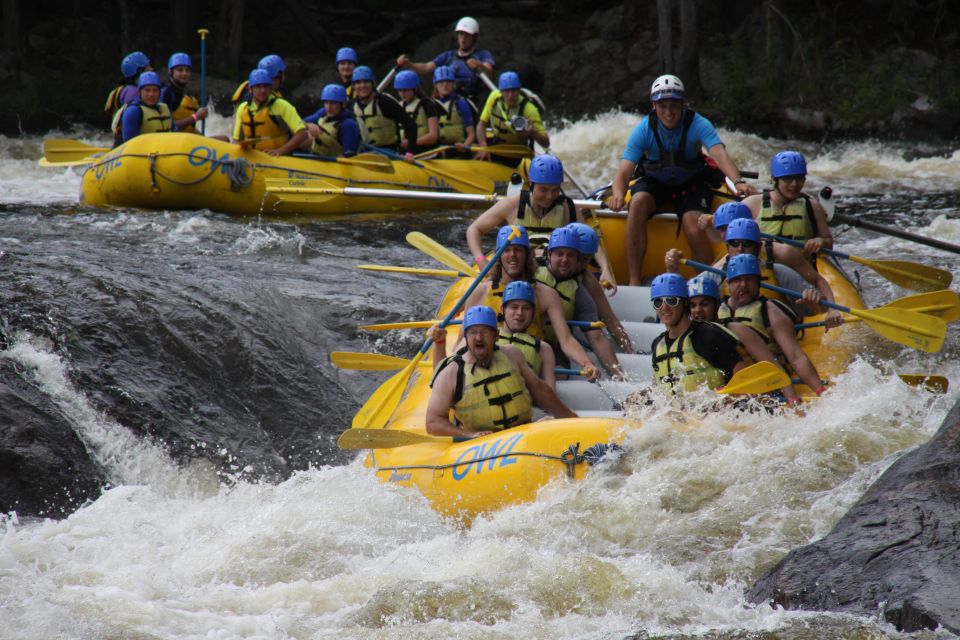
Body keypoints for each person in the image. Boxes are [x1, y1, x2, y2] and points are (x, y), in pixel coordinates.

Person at [608, 74, 756, 285]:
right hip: (656, 182)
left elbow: (719, 154)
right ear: (654, 105)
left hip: (691, 183)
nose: (668, 112)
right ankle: (634, 280)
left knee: (694, 226)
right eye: (662, 106)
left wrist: (738, 181)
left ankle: (708, 284)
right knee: (637, 203)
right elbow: (623, 173)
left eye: (673, 106)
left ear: (683, 104)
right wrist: (617, 195)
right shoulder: (644, 129)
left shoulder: (698, 123)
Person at [462, 225, 601, 382]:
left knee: (558, 374)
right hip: (490, 362)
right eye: (507, 250)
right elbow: (463, 339)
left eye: (518, 250)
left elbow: (566, 340)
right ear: (499, 255)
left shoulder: (546, 294)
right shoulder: (480, 292)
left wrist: (586, 363)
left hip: (530, 364)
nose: (512, 255)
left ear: (527, 255)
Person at [426, 305, 576, 438]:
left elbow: (541, 391)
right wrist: (468, 435)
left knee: (548, 422)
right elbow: (433, 422)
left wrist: (572, 420)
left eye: (485, 332)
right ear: (465, 336)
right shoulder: (451, 373)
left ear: (496, 335)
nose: (479, 337)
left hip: (523, 434)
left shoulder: (512, 354)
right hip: (482, 445)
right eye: (473, 332)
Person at [666, 217, 844, 327]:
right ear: (727, 248)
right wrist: (672, 270)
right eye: (734, 244)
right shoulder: (717, 274)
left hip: (775, 339)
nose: (740, 249)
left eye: (747, 244)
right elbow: (679, 299)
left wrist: (823, 307)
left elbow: (819, 307)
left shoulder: (780, 271)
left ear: (758, 248)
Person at [717, 254, 829, 403]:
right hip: (733, 380)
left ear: (759, 282)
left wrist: (820, 391)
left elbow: (796, 357)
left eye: (749, 279)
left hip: (770, 382)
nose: (743, 285)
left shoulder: (771, 312)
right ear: (728, 284)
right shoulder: (717, 309)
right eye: (737, 280)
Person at [536, 227, 625, 378]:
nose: (565, 260)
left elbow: (597, 337)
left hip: (555, 345)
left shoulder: (578, 290)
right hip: (529, 339)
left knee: (559, 375)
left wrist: (619, 376)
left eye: (571, 255)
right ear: (549, 254)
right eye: (560, 254)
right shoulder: (530, 270)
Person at [649, 273, 746, 396]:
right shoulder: (657, 344)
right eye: (658, 302)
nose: (664, 307)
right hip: (676, 408)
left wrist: (723, 397)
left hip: (715, 407)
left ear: (685, 303)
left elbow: (743, 375)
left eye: (671, 301)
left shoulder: (707, 335)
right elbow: (657, 388)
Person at [741, 151, 833, 259]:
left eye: (799, 178)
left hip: (799, 267)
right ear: (774, 180)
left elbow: (829, 244)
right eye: (788, 178)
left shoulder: (813, 207)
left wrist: (821, 241)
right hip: (761, 267)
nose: (795, 184)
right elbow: (732, 241)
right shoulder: (751, 204)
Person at [564, 222, 633, 352]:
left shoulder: (585, 276)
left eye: (586, 260)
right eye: (579, 258)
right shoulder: (542, 269)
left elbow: (610, 320)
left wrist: (630, 352)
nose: (581, 265)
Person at [396, 16, 494, 104]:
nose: (463, 38)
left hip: (471, 100)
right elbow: (426, 68)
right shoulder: (448, 56)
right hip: (448, 99)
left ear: (474, 37)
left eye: (467, 35)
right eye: (461, 34)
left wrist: (479, 65)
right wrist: (409, 64)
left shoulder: (482, 54)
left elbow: (489, 73)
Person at [232, 68, 308, 156]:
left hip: (277, 157)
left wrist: (280, 151)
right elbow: (236, 140)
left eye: (266, 86)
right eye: (258, 87)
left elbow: (302, 133)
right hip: (251, 156)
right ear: (250, 89)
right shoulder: (243, 108)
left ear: (271, 88)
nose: (263, 90)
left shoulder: (282, 106)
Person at [476, 71, 549, 160]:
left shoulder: (529, 109)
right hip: (497, 145)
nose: (510, 95)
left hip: (516, 153)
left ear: (519, 90)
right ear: (501, 91)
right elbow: (481, 125)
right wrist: (483, 145)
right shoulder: (494, 97)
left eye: (514, 91)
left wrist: (533, 132)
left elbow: (546, 143)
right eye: (506, 91)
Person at [497, 281, 557, 388]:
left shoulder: (544, 349)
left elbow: (550, 391)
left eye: (526, 308)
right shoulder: (485, 339)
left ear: (533, 313)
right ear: (502, 309)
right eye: (514, 307)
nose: (520, 313)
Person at [350, 65, 418, 155]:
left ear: (373, 84)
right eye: (358, 83)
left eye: (366, 82)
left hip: (389, 152)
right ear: (354, 86)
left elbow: (411, 125)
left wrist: (410, 152)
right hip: (365, 152)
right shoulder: (352, 106)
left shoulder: (385, 102)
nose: (362, 86)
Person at [114, 71, 174, 146]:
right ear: (139, 92)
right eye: (147, 90)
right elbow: (130, 144)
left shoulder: (164, 108)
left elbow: (175, 132)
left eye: (155, 90)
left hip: (162, 150)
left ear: (159, 92)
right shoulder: (133, 111)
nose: (151, 94)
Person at [303, 84, 361, 157]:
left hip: (334, 162)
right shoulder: (323, 112)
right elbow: (301, 122)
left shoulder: (348, 125)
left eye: (333, 103)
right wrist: (309, 125)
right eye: (326, 103)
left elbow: (349, 155)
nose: (328, 107)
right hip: (316, 157)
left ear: (343, 104)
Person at [160, 53, 209, 135]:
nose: (184, 73)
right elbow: (168, 126)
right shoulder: (166, 93)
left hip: (185, 137)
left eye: (187, 70)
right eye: (180, 70)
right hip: (172, 139)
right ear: (170, 72)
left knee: (224, 138)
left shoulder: (182, 92)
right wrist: (196, 117)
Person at [432, 65, 477, 153]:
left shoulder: (461, 103)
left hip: (460, 148)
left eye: (448, 81)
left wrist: (464, 147)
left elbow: (471, 135)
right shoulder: (431, 103)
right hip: (439, 149)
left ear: (453, 84)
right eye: (441, 82)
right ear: (435, 84)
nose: (445, 85)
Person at [393, 70, 440, 152]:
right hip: (405, 151)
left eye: (406, 90)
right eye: (400, 90)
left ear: (415, 89)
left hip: (426, 150)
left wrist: (411, 142)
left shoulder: (427, 105)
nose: (402, 94)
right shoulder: (398, 106)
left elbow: (433, 136)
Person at [105, 51, 152, 119]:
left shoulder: (123, 89)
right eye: (148, 67)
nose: (151, 69)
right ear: (140, 71)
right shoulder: (134, 93)